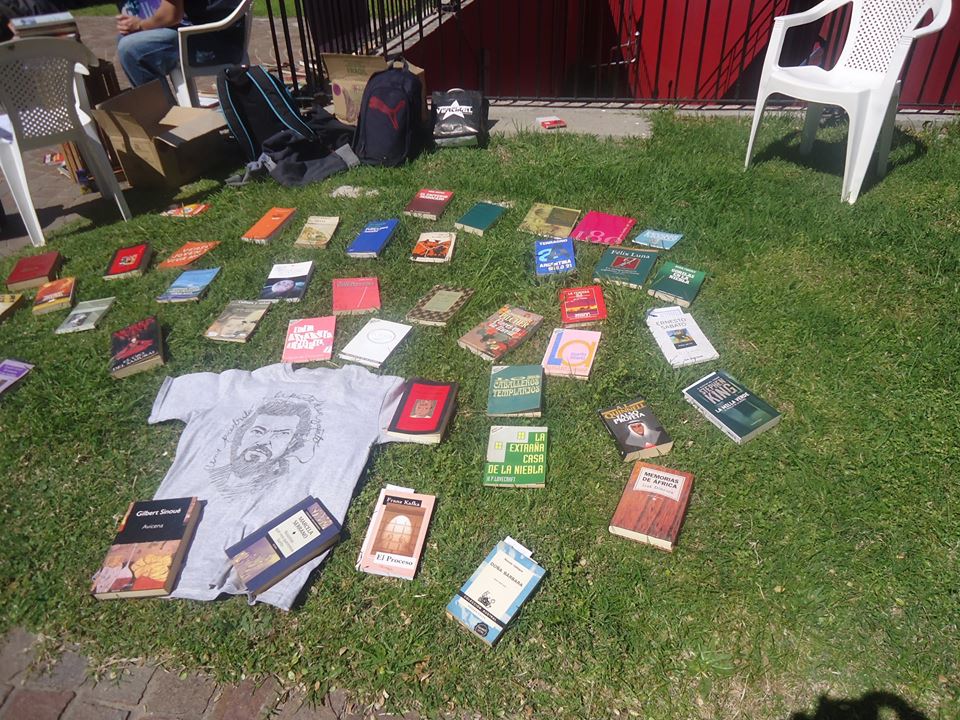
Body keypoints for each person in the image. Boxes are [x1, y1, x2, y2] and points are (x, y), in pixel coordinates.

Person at [116, 0, 244, 88]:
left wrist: (139, 25)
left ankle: (162, 116)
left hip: (216, 40)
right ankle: (162, 109)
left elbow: (171, 14)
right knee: (127, 38)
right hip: (219, 32)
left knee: (132, 49)